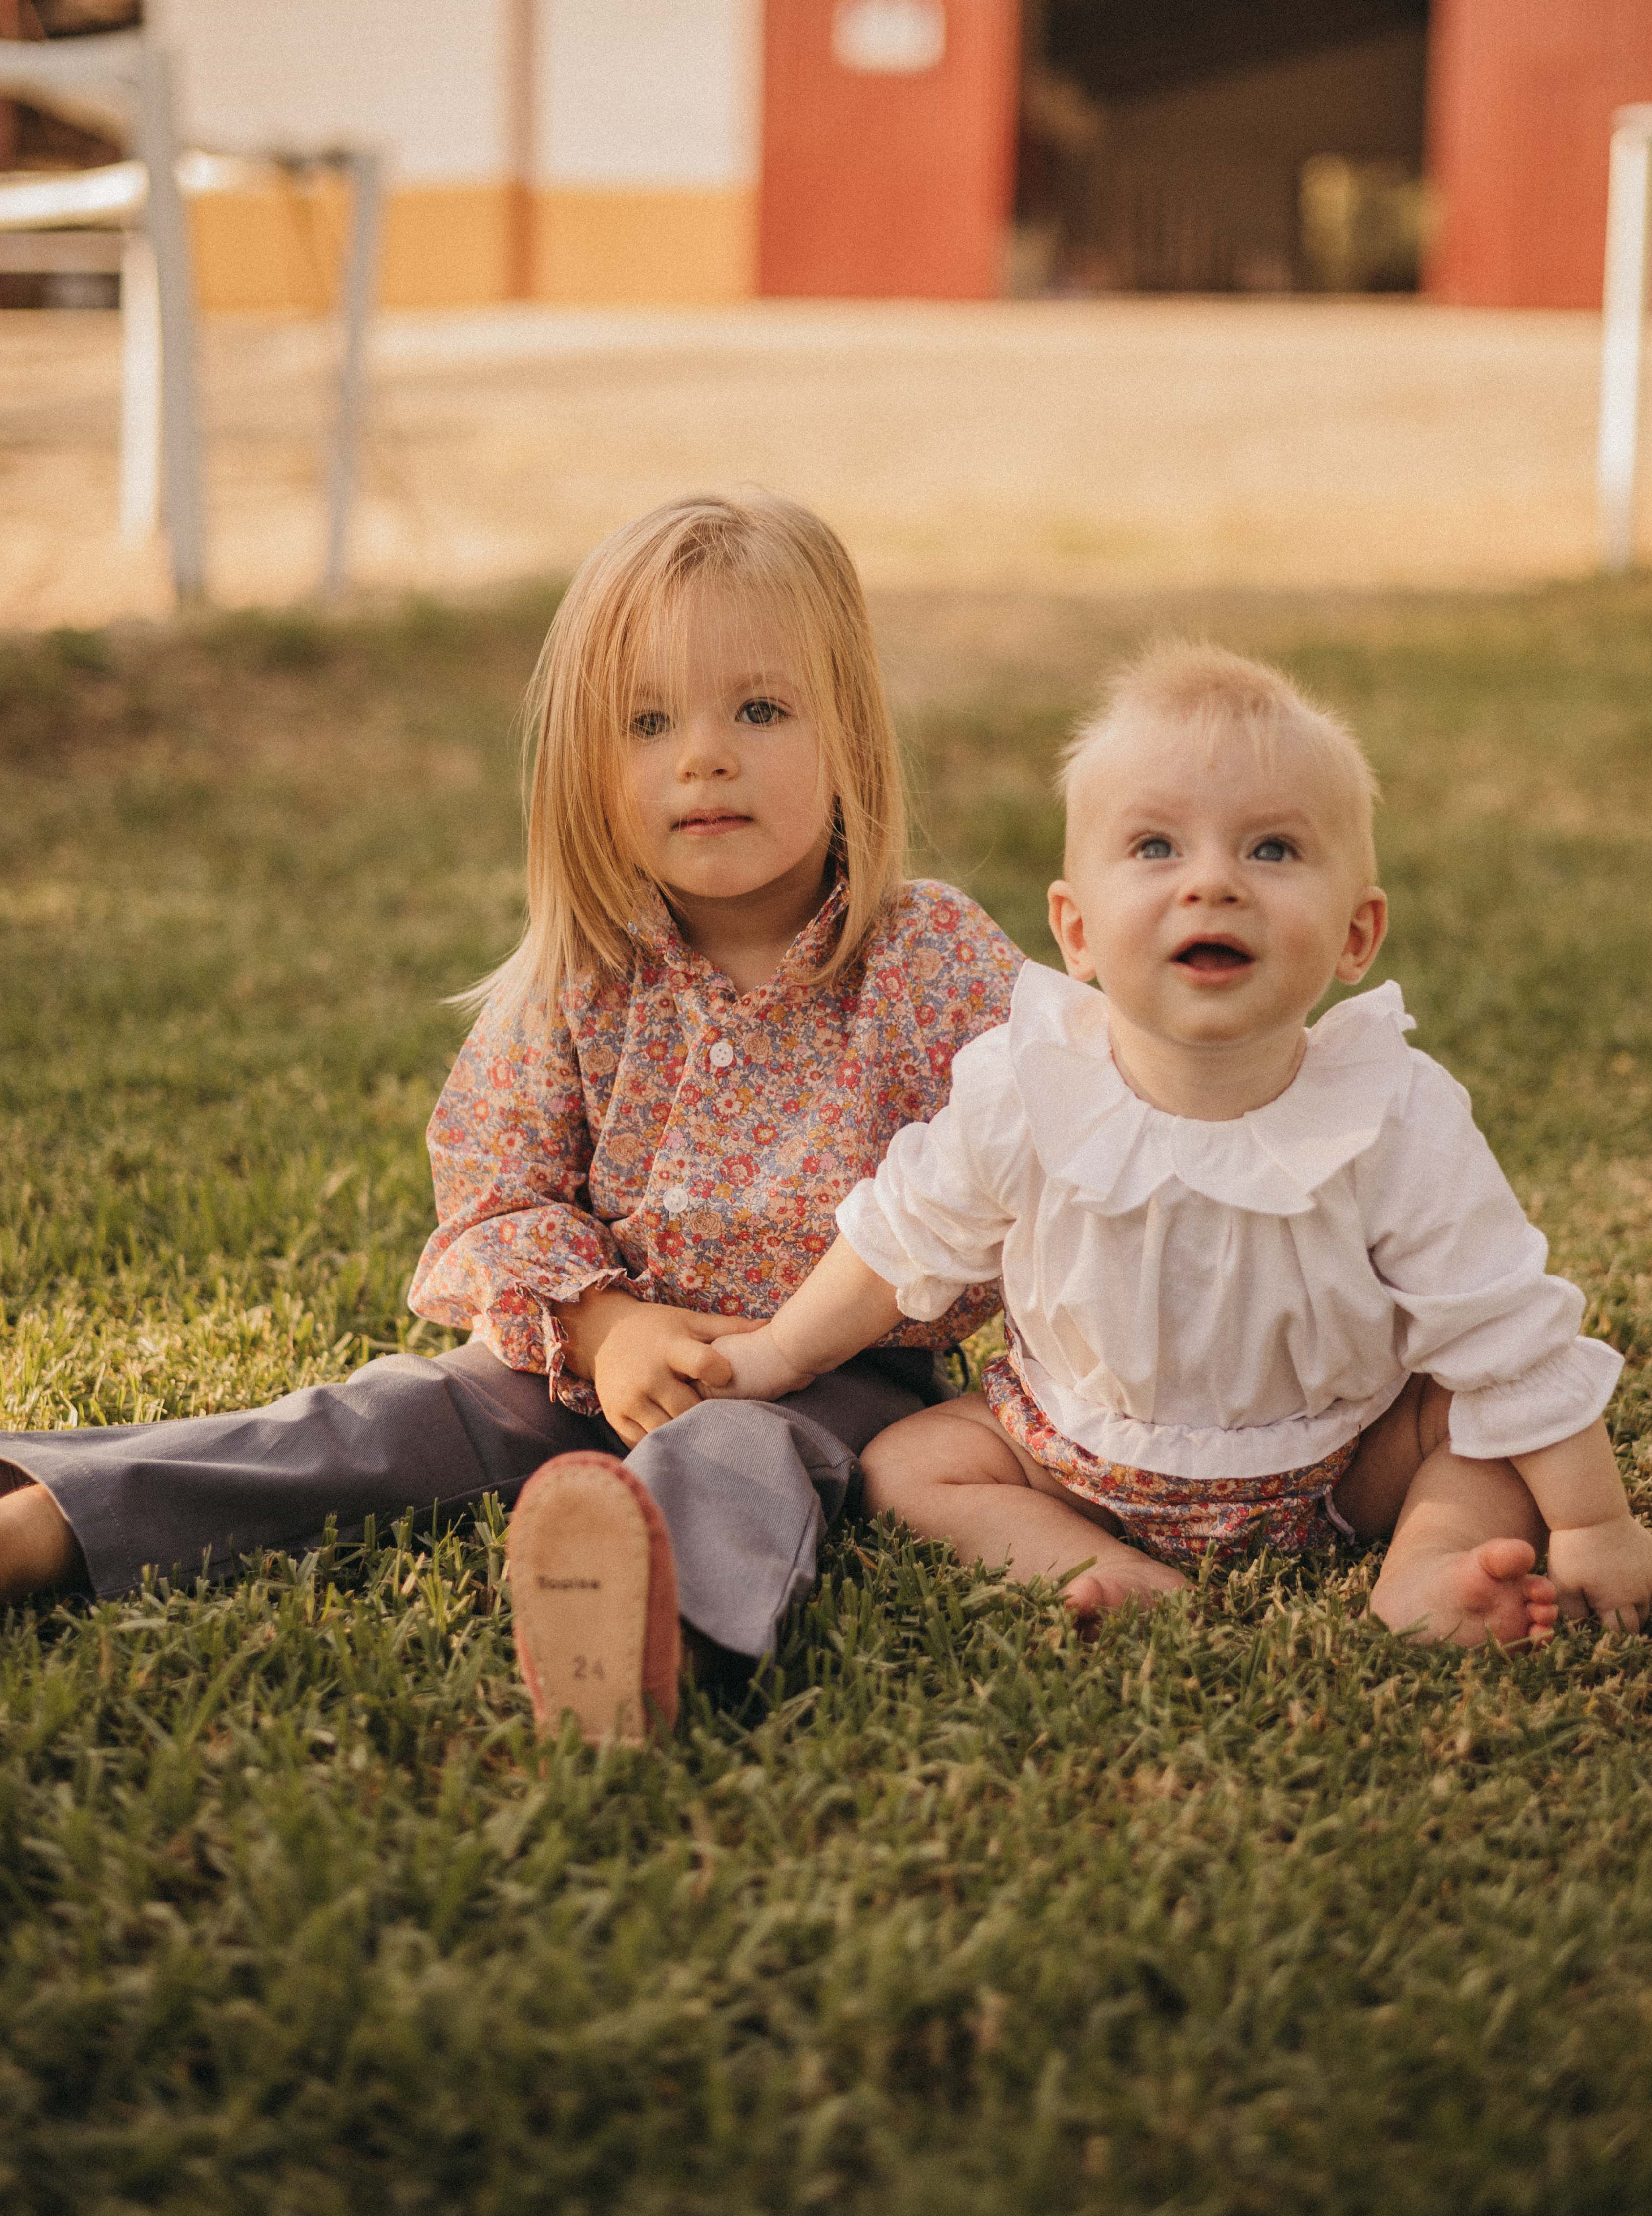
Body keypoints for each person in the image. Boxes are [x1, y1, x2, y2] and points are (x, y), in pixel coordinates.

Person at [0, 492, 1022, 1735]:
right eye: (647, 722)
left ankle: (648, 1634)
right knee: (384, 1416)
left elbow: (1065, 1124)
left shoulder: (932, 958)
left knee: (730, 1463)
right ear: (587, 765)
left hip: (834, 1369)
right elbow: (495, 1191)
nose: (702, 755)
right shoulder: (588, 972)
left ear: (850, 734)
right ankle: (52, 1516)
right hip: (584, 1355)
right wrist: (606, 1327)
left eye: (758, 709)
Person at [710, 642, 1652, 1649]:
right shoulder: (1028, 1088)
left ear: (1355, 934)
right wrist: (774, 1349)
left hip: (1343, 1455)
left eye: (1272, 850)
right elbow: (901, 1241)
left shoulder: (1391, 1113)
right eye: (1156, 847)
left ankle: (1426, 1562)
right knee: (908, 1465)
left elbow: (1505, 1330)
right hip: (1073, 1457)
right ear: (1074, 931)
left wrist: (1592, 1520)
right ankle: (1091, 1562)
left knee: (1471, 1433)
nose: (1211, 882)